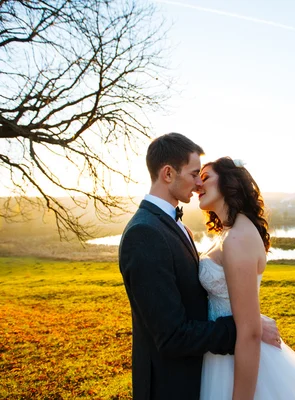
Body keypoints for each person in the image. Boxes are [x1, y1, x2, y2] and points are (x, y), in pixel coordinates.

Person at [118, 133, 281, 400]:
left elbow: (195, 294)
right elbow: (170, 335)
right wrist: (244, 326)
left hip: (207, 369)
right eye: (195, 174)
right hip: (169, 384)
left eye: (203, 177)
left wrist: (249, 320)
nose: (197, 184)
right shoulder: (144, 233)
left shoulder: (175, 225)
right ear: (168, 173)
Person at [197, 156, 295, 400]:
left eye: (205, 178)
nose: (197, 186)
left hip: (238, 357)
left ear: (228, 182)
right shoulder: (229, 232)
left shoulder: (238, 237)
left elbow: (250, 333)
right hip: (221, 350)